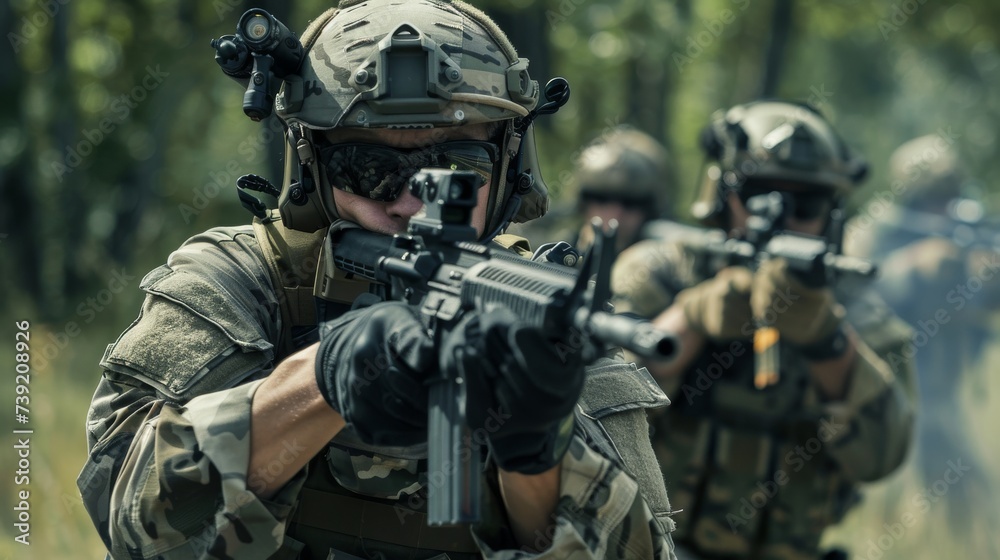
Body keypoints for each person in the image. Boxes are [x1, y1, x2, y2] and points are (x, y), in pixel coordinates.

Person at [76, 1, 678, 559]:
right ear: (310, 167)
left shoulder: (540, 310)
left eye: (455, 169)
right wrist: (326, 377)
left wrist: (537, 452)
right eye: (370, 169)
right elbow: (127, 515)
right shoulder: (237, 284)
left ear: (510, 167)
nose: (413, 205)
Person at [611, 100, 916, 560]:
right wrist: (691, 317)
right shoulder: (661, 275)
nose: (781, 216)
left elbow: (881, 457)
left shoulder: (860, 316)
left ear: (832, 213)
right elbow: (597, 415)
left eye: (806, 202)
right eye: (759, 194)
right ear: (721, 193)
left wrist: (824, 339)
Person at [845, 135, 1000, 534]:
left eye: (949, 197)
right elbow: (852, 297)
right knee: (882, 500)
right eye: (934, 198)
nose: (944, 208)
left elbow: (982, 309)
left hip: (943, 393)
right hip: (881, 388)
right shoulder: (875, 233)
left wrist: (984, 274)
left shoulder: (970, 236)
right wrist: (913, 270)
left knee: (969, 503)